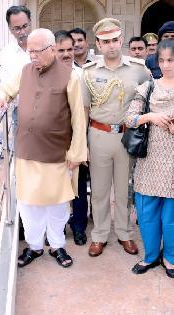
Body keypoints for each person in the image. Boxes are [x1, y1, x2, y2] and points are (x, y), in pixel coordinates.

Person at [0, 28, 87, 268]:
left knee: (57, 204)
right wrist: (0, 97)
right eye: (29, 51)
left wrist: (76, 153)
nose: (32, 56)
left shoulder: (70, 76)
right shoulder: (25, 71)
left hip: (56, 152)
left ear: (52, 49)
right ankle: (34, 247)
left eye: (36, 51)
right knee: (28, 202)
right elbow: (7, 89)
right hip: (27, 149)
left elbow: (78, 117)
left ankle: (57, 246)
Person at [81, 18, 151, 257]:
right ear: (98, 44)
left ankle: (125, 233)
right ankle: (99, 235)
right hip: (98, 135)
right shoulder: (88, 72)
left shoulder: (139, 69)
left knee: (124, 190)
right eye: (105, 41)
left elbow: (151, 99)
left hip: (126, 137)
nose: (111, 45)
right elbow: (84, 110)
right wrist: (83, 144)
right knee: (99, 191)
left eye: (115, 40)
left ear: (121, 40)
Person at [126, 39, 174, 278]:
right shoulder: (148, 87)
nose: (166, 65)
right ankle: (151, 256)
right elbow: (130, 118)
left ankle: (170, 258)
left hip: (173, 164)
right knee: (147, 214)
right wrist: (151, 117)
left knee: (172, 217)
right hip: (149, 161)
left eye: (171, 60)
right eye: (163, 60)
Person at [0, 5, 32, 241]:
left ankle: (47, 227)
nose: (22, 32)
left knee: (46, 170)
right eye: (16, 28)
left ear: (31, 22)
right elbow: (1, 86)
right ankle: (22, 221)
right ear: (10, 29)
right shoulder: (6, 55)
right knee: (22, 170)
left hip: (47, 118)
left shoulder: (43, 45)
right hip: (19, 117)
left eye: (25, 26)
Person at [54, 30, 89, 246]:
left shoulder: (82, 74)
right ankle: (56, 230)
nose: (67, 54)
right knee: (56, 188)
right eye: (62, 50)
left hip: (77, 139)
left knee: (79, 188)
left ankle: (78, 228)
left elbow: (85, 111)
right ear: (53, 51)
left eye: (70, 49)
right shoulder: (45, 74)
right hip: (54, 144)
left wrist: (83, 145)